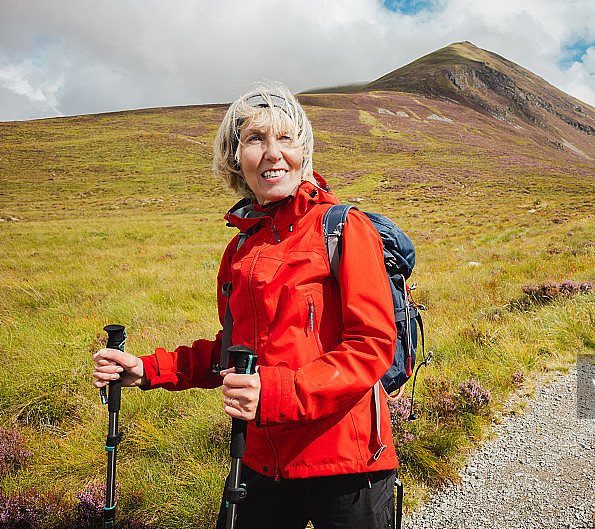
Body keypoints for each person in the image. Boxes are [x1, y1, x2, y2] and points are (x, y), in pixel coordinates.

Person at [92, 81, 399, 528]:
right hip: (257, 459)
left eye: (285, 138)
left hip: (348, 463)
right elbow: (232, 352)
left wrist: (273, 393)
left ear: (303, 151)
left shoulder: (343, 229)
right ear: (236, 157)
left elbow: (371, 345)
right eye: (255, 139)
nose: (273, 153)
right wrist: (147, 369)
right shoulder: (240, 249)